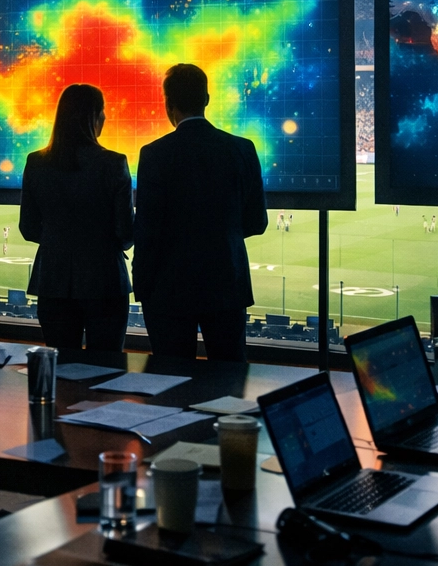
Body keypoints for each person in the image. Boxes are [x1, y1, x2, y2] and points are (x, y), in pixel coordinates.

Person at [133, 64, 267, 362]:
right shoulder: (242, 149)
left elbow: (147, 230)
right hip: (226, 284)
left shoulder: (154, 154)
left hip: (168, 290)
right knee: (229, 379)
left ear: (168, 103)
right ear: (206, 99)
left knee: (171, 381)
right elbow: (257, 222)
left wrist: (142, 287)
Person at [18, 84, 134, 350]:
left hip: (53, 280)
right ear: (93, 116)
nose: (105, 117)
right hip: (104, 280)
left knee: (62, 370)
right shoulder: (114, 163)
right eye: (102, 111)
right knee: (106, 367)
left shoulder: (36, 162)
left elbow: (28, 228)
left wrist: (59, 243)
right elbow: (125, 232)